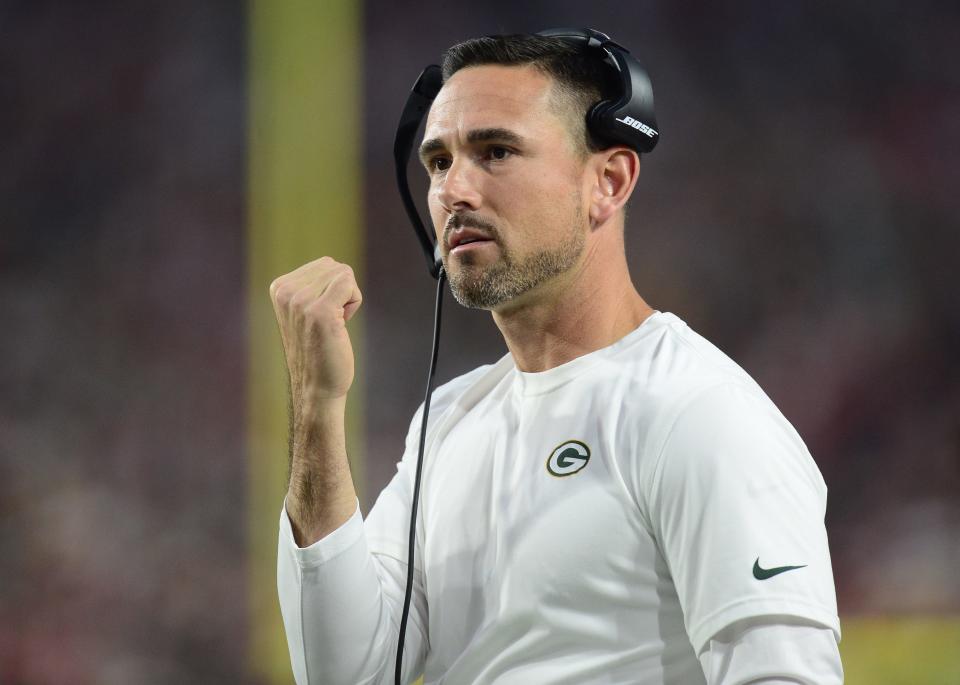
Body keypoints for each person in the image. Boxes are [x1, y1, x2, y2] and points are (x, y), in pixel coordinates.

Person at [271, 33, 843, 684]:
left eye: (495, 151)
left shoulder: (697, 412)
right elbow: (348, 674)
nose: (453, 188)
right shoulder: (451, 417)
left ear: (609, 181)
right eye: (437, 162)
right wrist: (316, 410)